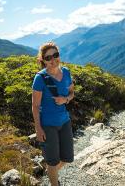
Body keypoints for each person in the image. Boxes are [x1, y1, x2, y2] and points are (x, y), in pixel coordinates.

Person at [32, 41, 74, 186]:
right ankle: (54, 181)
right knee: (52, 161)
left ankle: (51, 172)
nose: (53, 59)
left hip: (64, 122)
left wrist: (66, 99)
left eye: (55, 55)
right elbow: (35, 106)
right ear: (43, 61)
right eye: (48, 57)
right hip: (47, 125)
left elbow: (72, 92)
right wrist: (38, 129)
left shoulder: (66, 72)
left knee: (67, 158)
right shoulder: (40, 78)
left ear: (59, 55)